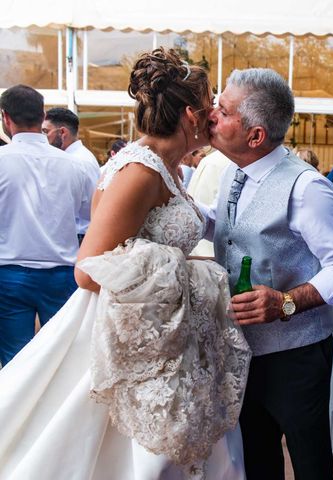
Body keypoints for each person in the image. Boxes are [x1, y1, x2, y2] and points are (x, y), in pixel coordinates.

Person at [0, 48, 251, 479]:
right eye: (210, 104)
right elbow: (88, 266)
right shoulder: (140, 170)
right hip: (125, 338)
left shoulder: (166, 167)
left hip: (161, 334)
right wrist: (187, 271)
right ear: (191, 115)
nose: (214, 114)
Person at [203, 67, 333, 480]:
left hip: (296, 355)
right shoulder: (231, 173)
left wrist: (287, 302)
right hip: (241, 350)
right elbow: (232, 228)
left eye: (222, 111)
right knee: (256, 459)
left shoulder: (307, 188)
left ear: (255, 135)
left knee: (310, 464)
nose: (210, 115)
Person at [0, 85, 93, 366]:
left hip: (10, 273)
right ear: (42, 116)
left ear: (5, 118)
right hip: (61, 271)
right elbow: (90, 216)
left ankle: (14, 410)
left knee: (15, 362)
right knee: (61, 360)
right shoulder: (71, 165)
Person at [43, 107, 101, 243]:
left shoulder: (79, 161)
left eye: (45, 131)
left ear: (62, 132)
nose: (42, 137)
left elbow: (91, 207)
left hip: (80, 237)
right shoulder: (74, 158)